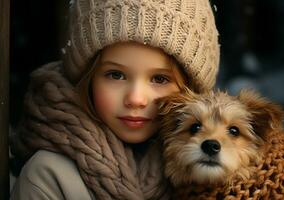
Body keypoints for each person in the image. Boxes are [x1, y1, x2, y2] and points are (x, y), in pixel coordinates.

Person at [10, 0, 219, 199]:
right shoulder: (49, 176)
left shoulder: (216, 174)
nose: (136, 99)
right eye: (116, 75)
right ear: (87, 78)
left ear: (192, 88)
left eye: (160, 78)